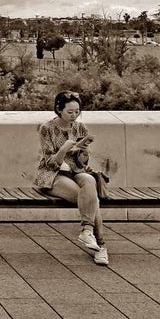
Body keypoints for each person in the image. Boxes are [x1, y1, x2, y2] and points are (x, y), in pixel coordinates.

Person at [36, 90, 109, 266]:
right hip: (53, 174)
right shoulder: (47, 128)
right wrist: (63, 150)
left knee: (89, 181)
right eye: (70, 112)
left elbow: (82, 163)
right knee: (92, 200)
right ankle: (101, 246)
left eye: (77, 111)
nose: (74, 115)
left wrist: (84, 152)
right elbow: (50, 163)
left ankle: (87, 231)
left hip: (76, 170)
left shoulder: (80, 128)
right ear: (59, 109)